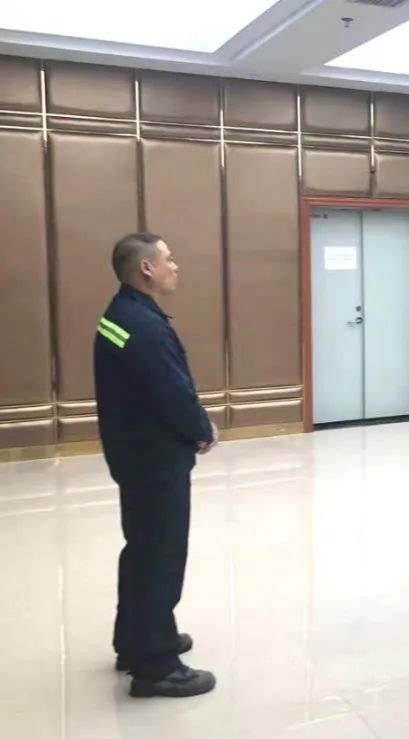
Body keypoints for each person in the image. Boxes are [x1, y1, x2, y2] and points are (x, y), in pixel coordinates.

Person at [94, 233, 218, 698]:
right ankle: (156, 665)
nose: (175, 266)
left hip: (134, 454)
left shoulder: (120, 315)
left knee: (142, 551)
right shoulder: (144, 326)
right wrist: (202, 430)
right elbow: (171, 391)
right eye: (168, 258)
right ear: (146, 268)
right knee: (160, 557)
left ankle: (135, 640)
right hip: (154, 459)